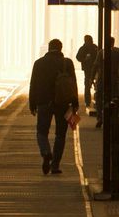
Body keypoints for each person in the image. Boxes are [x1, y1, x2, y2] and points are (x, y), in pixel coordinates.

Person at [29, 38, 80, 175]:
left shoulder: (39, 63)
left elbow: (33, 84)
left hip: (43, 103)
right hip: (62, 103)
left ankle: (46, 152)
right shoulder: (67, 63)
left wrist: (32, 102)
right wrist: (75, 102)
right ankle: (55, 165)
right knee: (60, 135)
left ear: (49, 48)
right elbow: (73, 83)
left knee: (41, 132)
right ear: (61, 48)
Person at [75, 34, 99, 108]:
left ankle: (87, 101)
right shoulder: (95, 47)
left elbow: (78, 57)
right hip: (95, 68)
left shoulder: (83, 48)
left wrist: (84, 60)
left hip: (87, 69)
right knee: (96, 83)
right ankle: (95, 100)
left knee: (87, 84)